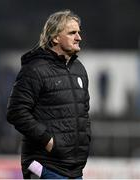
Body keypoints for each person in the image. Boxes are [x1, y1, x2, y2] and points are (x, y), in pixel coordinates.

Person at [7, 9, 91, 179]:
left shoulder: (79, 69)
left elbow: (84, 112)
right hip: (47, 166)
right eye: (72, 33)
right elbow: (16, 111)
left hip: (74, 169)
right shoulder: (34, 69)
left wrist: (85, 140)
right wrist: (48, 140)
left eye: (79, 32)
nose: (79, 37)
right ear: (55, 38)